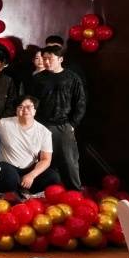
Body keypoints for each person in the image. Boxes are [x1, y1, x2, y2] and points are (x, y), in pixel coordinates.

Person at [30, 45, 86, 189]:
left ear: (60, 59)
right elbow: (31, 102)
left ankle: (74, 191)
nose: (47, 62)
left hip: (63, 125)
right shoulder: (38, 78)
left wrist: (72, 124)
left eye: (50, 59)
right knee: (40, 160)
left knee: (69, 160)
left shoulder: (72, 78)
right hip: (41, 125)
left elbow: (80, 103)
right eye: (45, 59)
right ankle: (41, 190)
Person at [0, 95, 60, 198]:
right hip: (7, 166)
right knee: (10, 177)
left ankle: (25, 190)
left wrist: (32, 175)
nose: (25, 110)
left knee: (53, 177)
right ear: (16, 111)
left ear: (34, 111)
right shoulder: (3, 124)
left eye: (29, 107)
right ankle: (14, 191)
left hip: (29, 168)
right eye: (21, 107)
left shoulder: (44, 132)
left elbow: (46, 159)